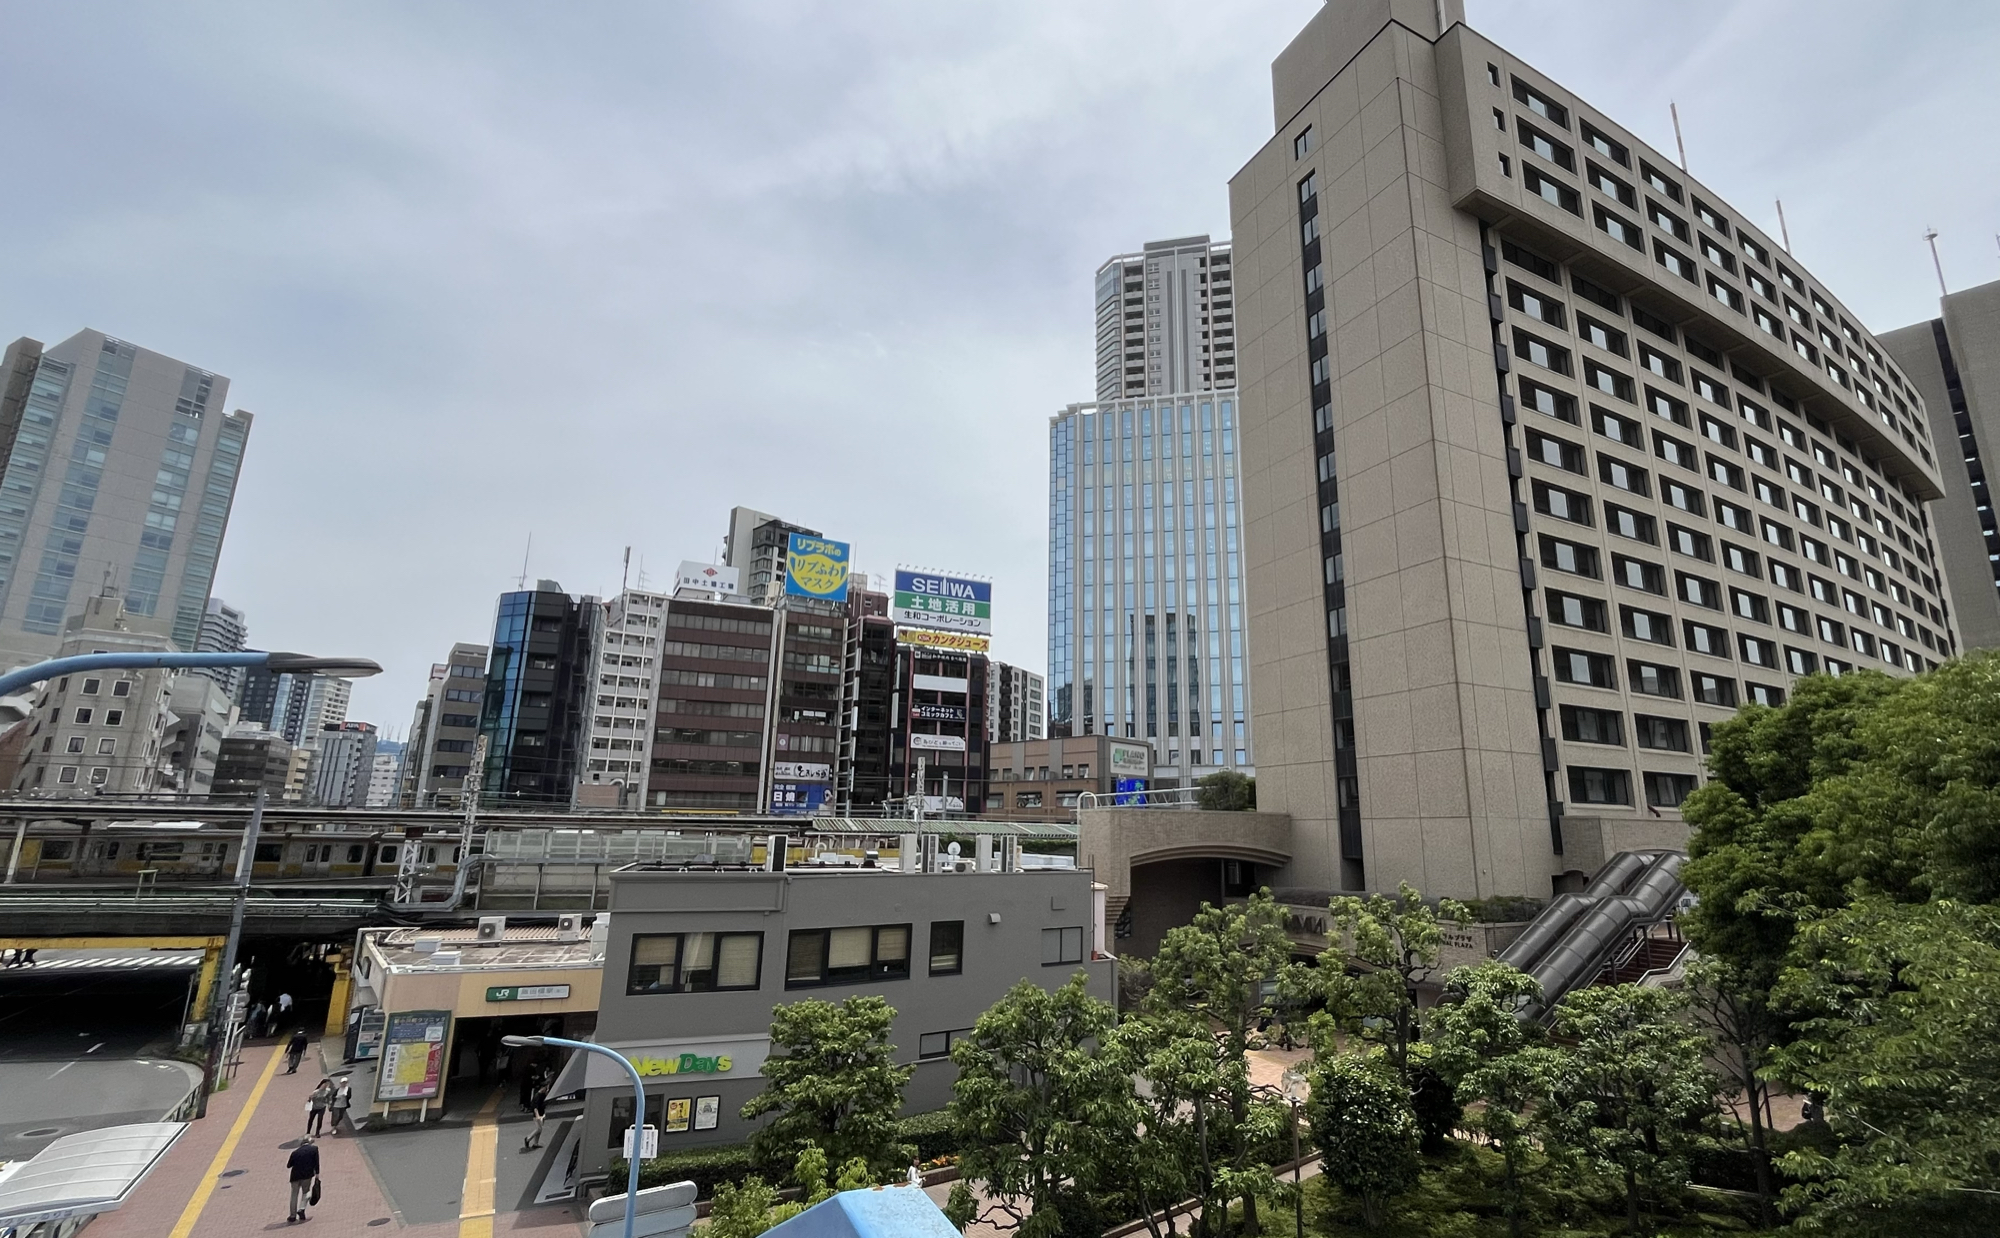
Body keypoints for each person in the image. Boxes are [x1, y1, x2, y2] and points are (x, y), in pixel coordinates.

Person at [286, 1136, 320, 1223]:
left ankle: (292, 1216)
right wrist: (317, 1174)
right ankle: (301, 1208)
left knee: (294, 1195)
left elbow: (289, 1165)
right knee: (306, 1192)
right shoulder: (314, 1149)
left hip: (295, 1176)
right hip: (307, 1175)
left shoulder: (295, 1152)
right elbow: (316, 1163)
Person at [521, 1081, 549, 1152]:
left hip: (541, 1113)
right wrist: (538, 1116)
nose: (547, 1089)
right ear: (542, 1088)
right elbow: (535, 1108)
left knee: (540, 1129)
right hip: (538, 1114)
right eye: (546, 1088)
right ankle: (528, 1138)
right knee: (539, 1129)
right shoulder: (537, 1096)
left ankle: (535, 1143)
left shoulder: (543, 1095)